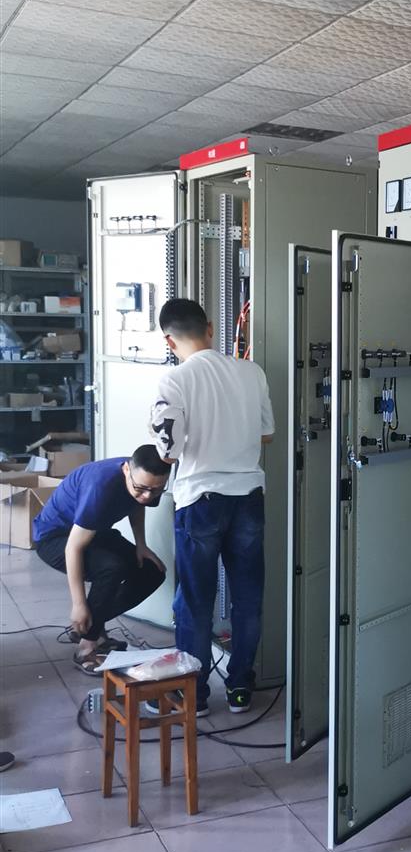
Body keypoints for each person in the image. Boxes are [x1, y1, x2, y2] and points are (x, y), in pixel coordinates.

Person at [149, 298, 274, 716]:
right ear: (210, 328)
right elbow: (267, 434)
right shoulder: (252, 372)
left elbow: (168, 452)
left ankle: (194, 695)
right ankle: (240, 688)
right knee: (248, 597)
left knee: (196, 600)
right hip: (248, 496)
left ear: (169, 341)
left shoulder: (174, 380)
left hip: (200, 500)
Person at [33, 446, 171, 674]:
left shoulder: (147, 481)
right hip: (54, 537)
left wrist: (141, 545)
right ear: (126, 470)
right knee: (111, 568)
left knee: (152, 571)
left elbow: (138, 505)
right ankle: (86, 647)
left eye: (155, 490)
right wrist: (79, 605)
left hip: (94, 531)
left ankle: (89, 628)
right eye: (141, 488)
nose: (147, 495)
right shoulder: (100, 487)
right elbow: (73, 547)